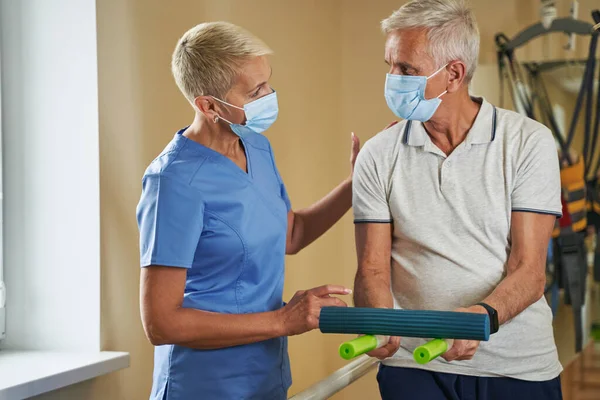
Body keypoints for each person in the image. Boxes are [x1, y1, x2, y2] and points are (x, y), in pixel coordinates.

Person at [352, 1, 563, 399]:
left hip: (515, 366)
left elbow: (530, 269)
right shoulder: (378, 154)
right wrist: (378, 322)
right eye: (389, 65)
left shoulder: (527, 143)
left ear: (453, 73)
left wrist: (479, 320)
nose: (392, 79)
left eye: (406, 69)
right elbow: (372, 269)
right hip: (412, 366)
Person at [136, 22, 357, 400]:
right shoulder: (173, 181)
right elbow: (161, 323)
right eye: (255, 92)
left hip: (265, 376)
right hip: (204, 386)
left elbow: (292, 234)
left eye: (267, 83)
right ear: (207, 105)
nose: (269, 96)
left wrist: (356, 185)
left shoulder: (256, 146)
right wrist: (284, 320)